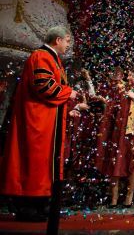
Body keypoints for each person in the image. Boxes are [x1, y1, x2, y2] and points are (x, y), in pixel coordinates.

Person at [0, 26, 77, 222]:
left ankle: (41, 205)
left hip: (46, 120)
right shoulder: (41, 56)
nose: (68, 45)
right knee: (34, 162)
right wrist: (68, 92)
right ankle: (28, 207)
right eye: (67, 41)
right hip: (36, 120)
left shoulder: (52, 58)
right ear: (58, 40)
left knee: (44, 163)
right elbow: (44, 87)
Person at [96, 68, 134, 207]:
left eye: (132, 75)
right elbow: (113, 108)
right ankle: (114, 199)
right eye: (129, 75)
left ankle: (129, 198)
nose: (129, 77)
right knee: (116, 160)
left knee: (133, 160)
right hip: (118, 132)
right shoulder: (122, 91)